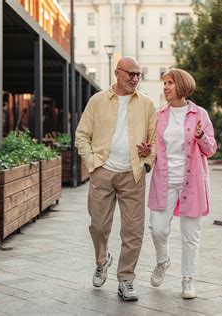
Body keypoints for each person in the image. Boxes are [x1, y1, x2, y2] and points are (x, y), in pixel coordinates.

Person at [75, 57, 157, 301]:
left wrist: (146, 159)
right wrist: (92, 164)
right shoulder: (97, 101)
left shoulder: (147, 104)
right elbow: (81, 135)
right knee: (98, 225)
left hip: (133, 174)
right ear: (117, 73)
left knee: (133, 231)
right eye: (130, 74)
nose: (134, 78)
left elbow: (154, 141)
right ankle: (102, 261)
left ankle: (126, 279)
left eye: (138, 75)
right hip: (103, 172)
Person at [148, 68, 216, 299]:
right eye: (164, 83)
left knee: (190, 235)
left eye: (170, 83)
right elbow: (152, 148)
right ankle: (163, 261)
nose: (165, 87)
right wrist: (147, 151)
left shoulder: (200, 114)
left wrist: (200, 137)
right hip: (164, 181)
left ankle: (188, 279)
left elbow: (211, 149)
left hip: (192, 182)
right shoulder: (159, 116)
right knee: (157, 229)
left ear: (182, 86)